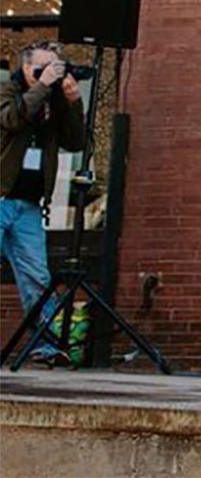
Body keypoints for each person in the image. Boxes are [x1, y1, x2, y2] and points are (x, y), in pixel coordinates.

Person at [0, 42, 86, 364]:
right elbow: (12, 119)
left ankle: (49, 345)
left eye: (54, 67)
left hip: (30, 206)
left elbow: (75, 141)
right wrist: (44, 86)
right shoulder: (6, 91)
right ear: (26, 68)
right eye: (42, 68)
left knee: (38, 276)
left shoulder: (53, 100)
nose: (49, 73)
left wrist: (73, 103)